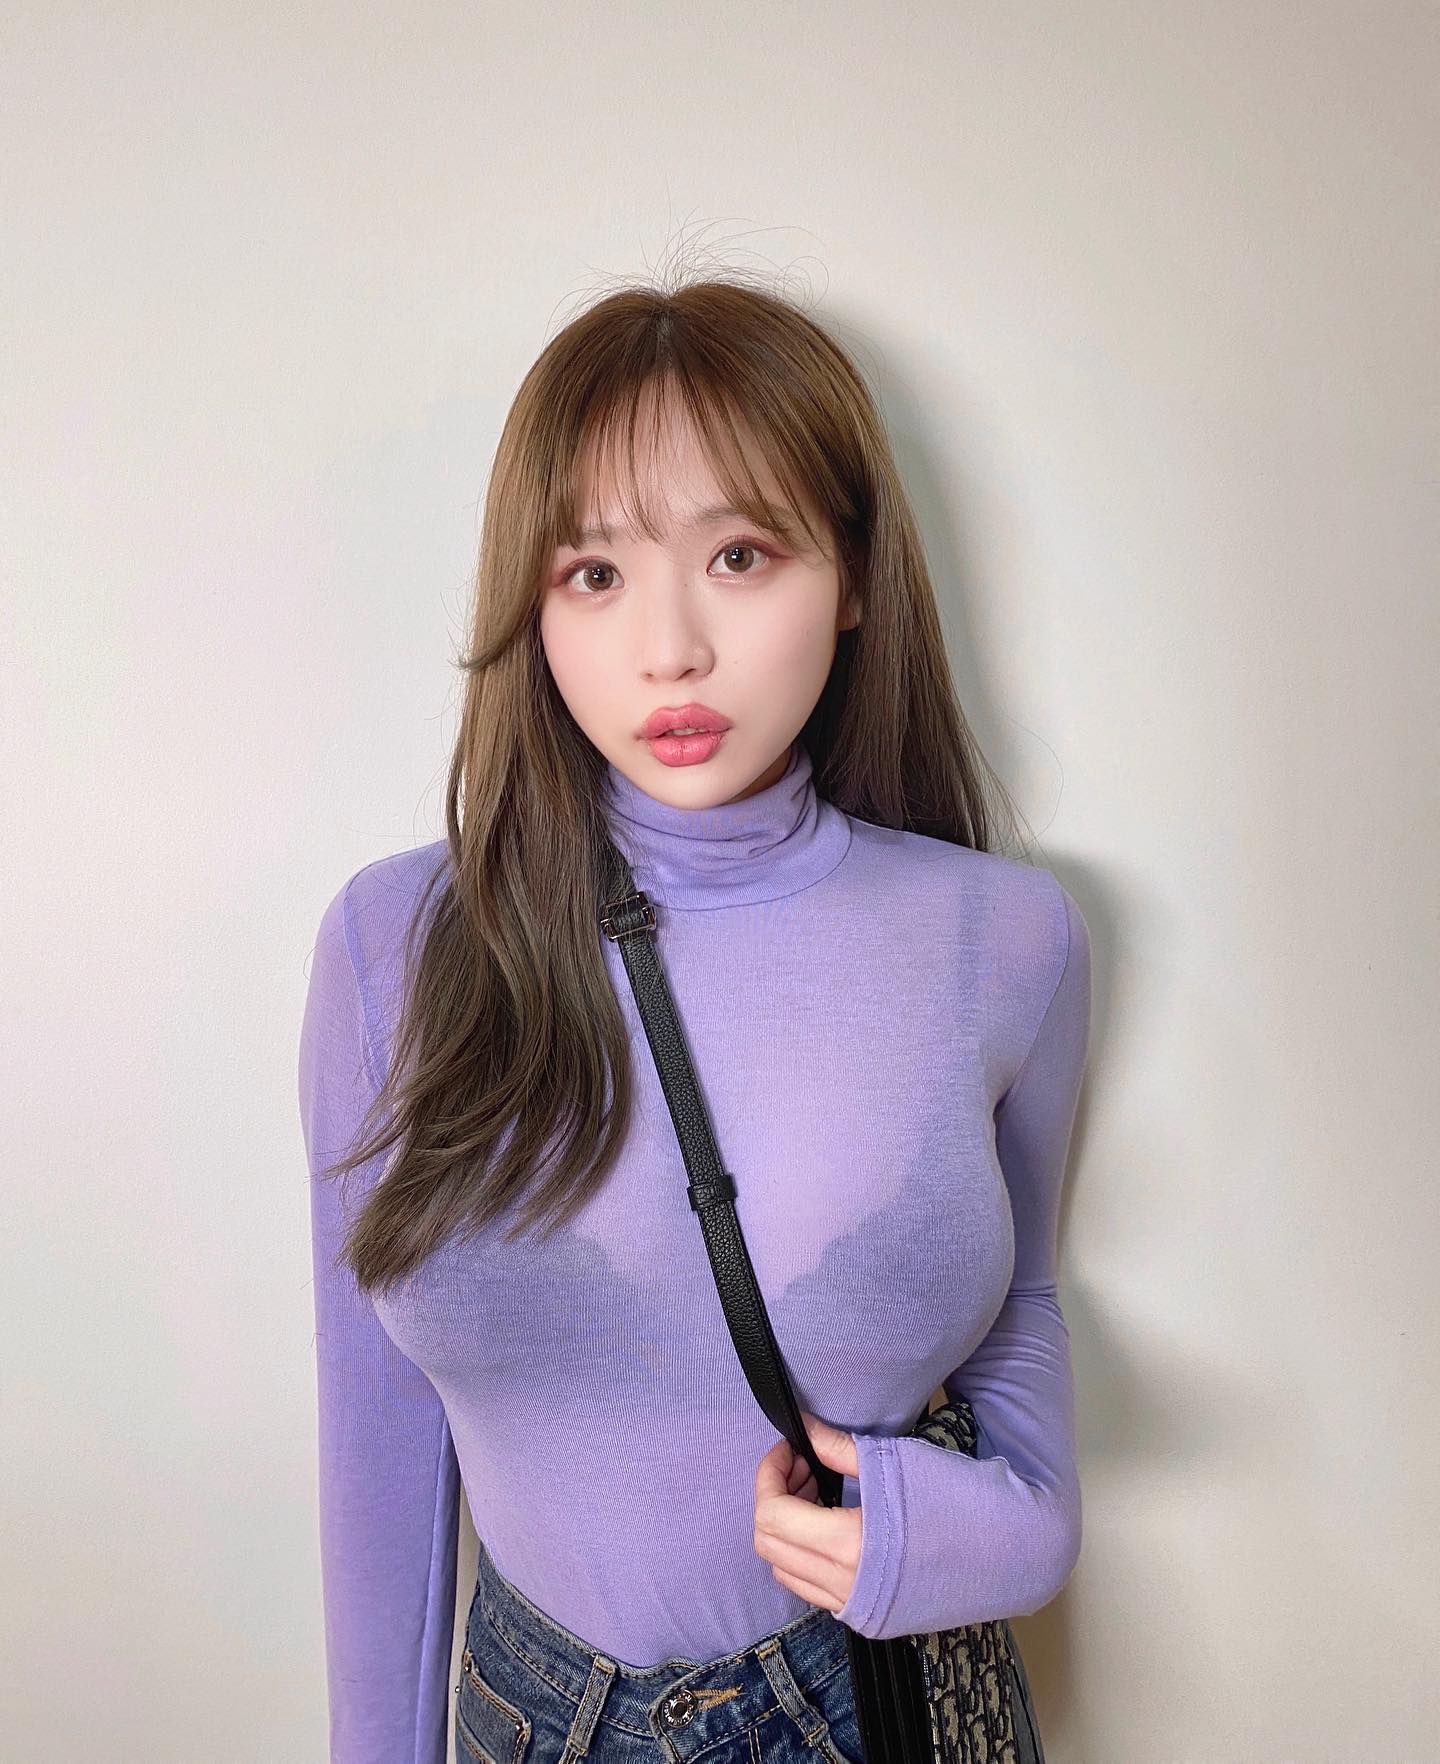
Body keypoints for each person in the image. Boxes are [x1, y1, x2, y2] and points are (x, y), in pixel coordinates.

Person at [298, 274, 1091, 1764]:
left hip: (849, 1704)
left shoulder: (1003, 937)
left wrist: (1014, 1534)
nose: (668, 649)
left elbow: (1020, 1305)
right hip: (523, 1712)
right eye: (593, 573)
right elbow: (379, 1420)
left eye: (739, 554)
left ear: (852, 576)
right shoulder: (393, 944)